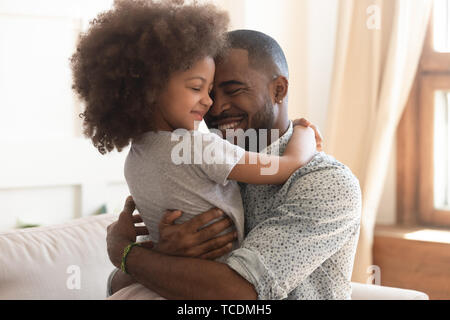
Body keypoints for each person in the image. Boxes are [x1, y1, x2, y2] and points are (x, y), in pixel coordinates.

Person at [71, 0, 319, 299]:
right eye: (197, 88)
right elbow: (286, 166)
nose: (211, 102)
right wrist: (304, 133)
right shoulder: (198, 147)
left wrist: (136, 253)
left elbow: (134, 270)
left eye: (220, 89)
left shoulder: (135, 160)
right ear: (151, 88)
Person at [105, 29, 362, 300]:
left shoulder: (326, 183)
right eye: (204, 91)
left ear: (279, 89)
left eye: (234, 91)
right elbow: (119, 286)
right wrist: (160, 255)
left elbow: (240, 294)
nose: (214, 108)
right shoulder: (191, 163)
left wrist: (125, 254)